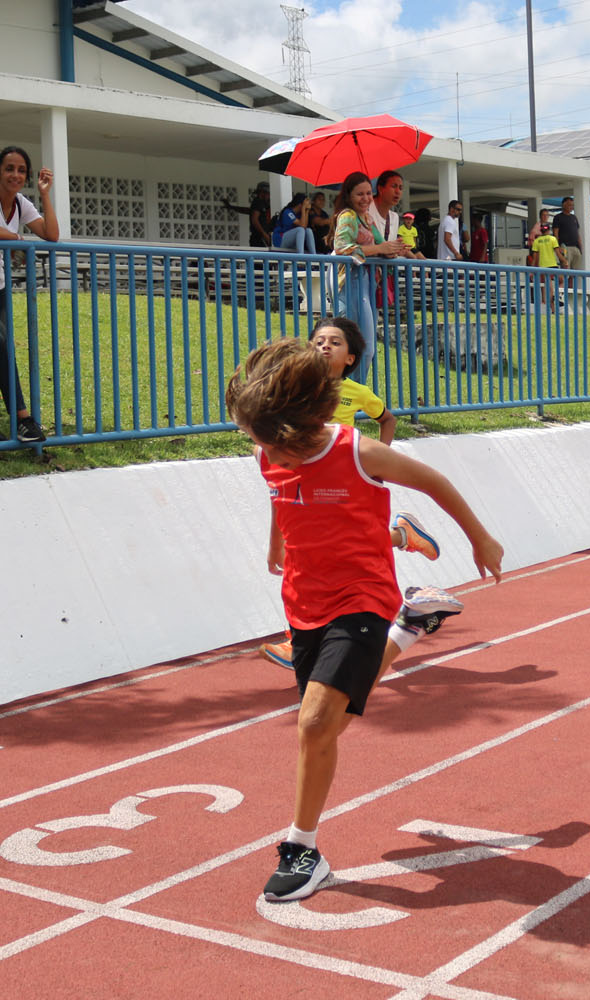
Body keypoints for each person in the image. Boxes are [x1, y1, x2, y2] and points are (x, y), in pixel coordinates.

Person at [226, 337, 503, 903]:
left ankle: (302, 850)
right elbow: (280, 497)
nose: (259, 449)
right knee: (332, 725)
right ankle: (411, 625)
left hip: (362, 597)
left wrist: (481, 538)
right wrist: (276, 542)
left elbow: (435, 482)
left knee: (313, 725)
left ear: (295, 429)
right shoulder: (267, 455)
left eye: (263, 439)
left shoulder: (359, 452)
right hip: (303, 601)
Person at [257, 316, 463, 671]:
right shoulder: (298, 390)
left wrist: (378, 462)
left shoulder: (357, 393)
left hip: (343, 474)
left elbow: (388, 419)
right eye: (318, 341)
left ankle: (299, 640)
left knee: (331, 550)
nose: (325, 346)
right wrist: (274, 541)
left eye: (335, 342)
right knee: (318, 551)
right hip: (305, 467)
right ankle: (401, 536)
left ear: (351, 358)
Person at [0, 145, 56, 444]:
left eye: (21, 170)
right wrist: (19, 239)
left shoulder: (21, 203)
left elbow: (51, 234)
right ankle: (23, 418)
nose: (15, 175)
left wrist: (45, 194)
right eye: (9, 168)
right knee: (0, 344)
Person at [331, 172, 404, 384]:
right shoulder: (348, 216)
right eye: (359, 194)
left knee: (363, 348)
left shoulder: (367, 218)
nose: (365, 199)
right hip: (351, 281)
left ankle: (352, 394)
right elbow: (341, 248)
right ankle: (348, 395)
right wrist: (380, 249)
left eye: (368, 193)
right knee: (360, 347)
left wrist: (393, 249)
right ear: (349, 196)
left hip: (366, 282)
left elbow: (381, 245)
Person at [223, 181, 273, 247]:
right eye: (268, 193)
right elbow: (254, 220)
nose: (269, 196)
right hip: (259, 238)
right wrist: (265, 235)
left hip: (261, 237)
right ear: (262, 192)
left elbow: (248, 211)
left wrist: (231, 207)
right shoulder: (258, 202)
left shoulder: (263, 204)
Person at [551, 196, 582, 270]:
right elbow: (555, 233)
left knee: (576, 271)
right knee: (566, 269)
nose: (571, 207)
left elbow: (577, 233)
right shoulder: (558, 217)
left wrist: (580, 247)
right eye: (569, 205)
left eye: (572, 205)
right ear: (563, 205)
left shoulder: (574, 217)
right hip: (565, 247)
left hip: (576, 247)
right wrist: (557, 247)